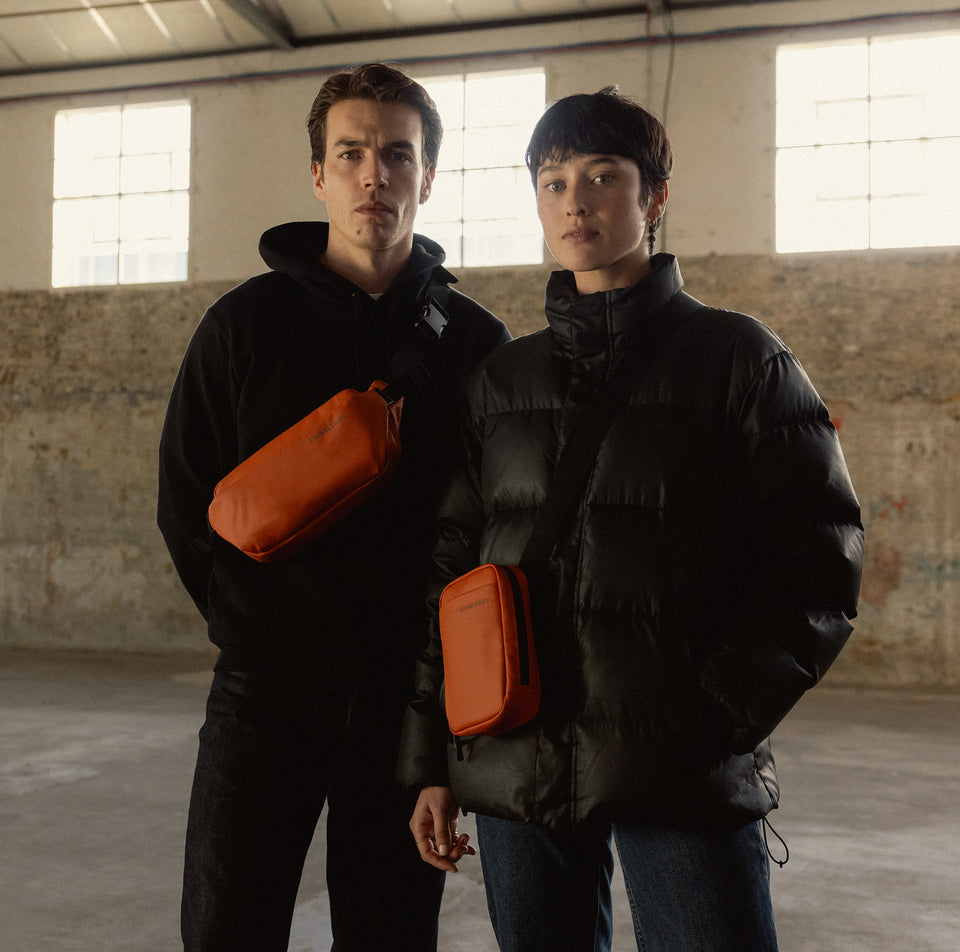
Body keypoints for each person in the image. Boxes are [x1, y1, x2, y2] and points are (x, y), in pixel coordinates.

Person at [399, 86, 864, 952]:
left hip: (677, 768)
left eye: (602, 175)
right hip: (516, 756)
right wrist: (430, 759)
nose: (575, 200)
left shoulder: (738, 360)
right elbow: (451, 573)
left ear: (652, 198)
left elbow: (819, 563)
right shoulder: (503, 386)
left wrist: (715, 716)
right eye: (553, 180)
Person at [157, 63, 509, 952]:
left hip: (405, 705)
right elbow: (186, 500)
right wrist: (255, 628)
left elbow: (495, 531)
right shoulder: (244, 327)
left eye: (398, 155)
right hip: (265, 695)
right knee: (227, 926)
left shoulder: (474, 345)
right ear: (319, 174)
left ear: (428, 177)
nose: (373, 175)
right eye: (350, 153)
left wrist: (445, 704)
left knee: (391, 933)